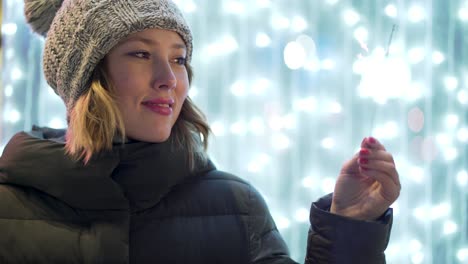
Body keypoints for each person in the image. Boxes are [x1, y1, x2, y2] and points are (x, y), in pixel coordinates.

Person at [0, 0, 401, 263]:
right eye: (141, 53)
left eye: (178, 59)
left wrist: (350, 226)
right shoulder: (10, 208)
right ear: (86, 75)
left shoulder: (236, 207)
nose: (168, 79)